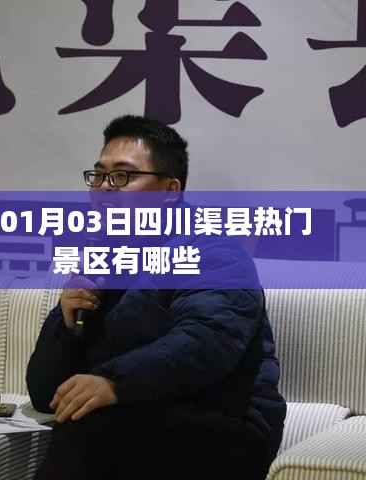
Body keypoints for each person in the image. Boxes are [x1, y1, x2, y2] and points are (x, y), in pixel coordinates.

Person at [27, 115, 286, 480]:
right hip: (139, 409)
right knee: (82, 422)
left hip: (225, 421)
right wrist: (66, 323)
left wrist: (113, 382)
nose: (104, 188)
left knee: (91, 431)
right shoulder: (102, 257)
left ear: (170, 190)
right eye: (99, 175)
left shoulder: (213, 249)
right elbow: (45, 394)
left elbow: (207, 341)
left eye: (123, 176)